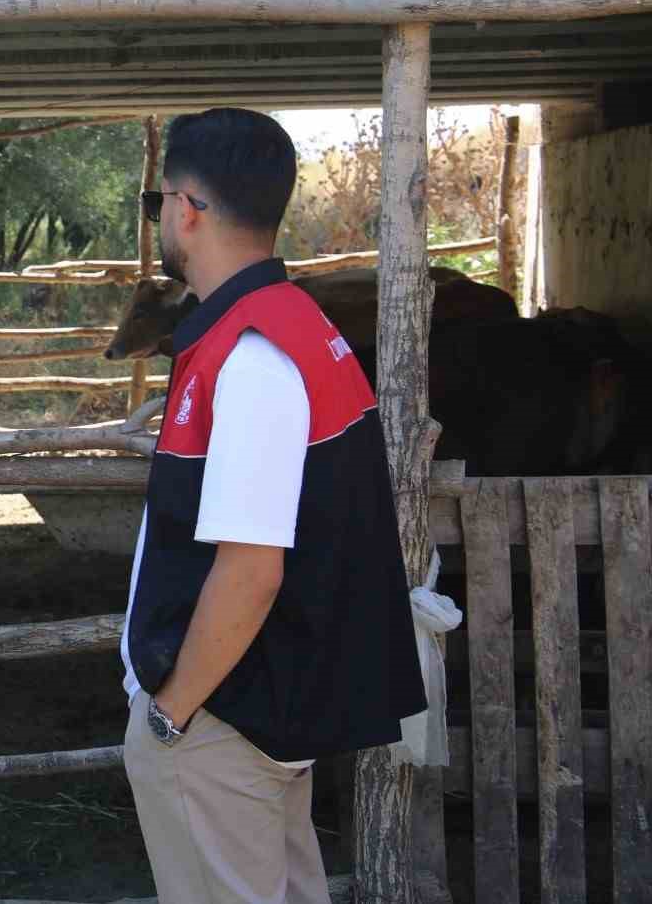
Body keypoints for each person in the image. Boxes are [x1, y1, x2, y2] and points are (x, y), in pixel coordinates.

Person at [119, 108, 426, 904]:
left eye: (160, 203)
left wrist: (169, 717)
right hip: (264, 706)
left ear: (186, 208)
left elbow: (251, 570)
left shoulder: (251, 355)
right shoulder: (296, 325)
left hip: (222, 717)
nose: (161, 219)